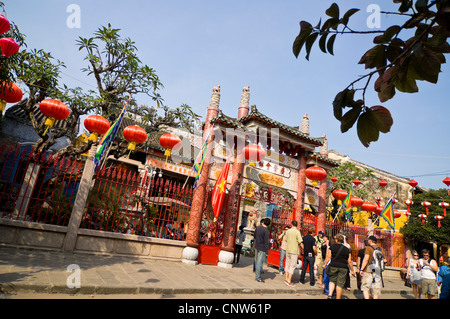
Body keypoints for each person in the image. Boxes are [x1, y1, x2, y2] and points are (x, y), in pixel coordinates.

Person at [324, 233, 355, 299]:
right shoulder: (347, 249)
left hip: (333, 265)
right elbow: (349, 261)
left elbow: (328, 257)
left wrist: (325, 264)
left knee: (332, 281)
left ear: (337, 240)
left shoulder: (332, 247)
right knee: (340, 284)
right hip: (343, 267)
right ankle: (338, 298)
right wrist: (352, 270)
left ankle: (330, 295)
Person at [359, 235, 383, 299]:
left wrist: (361, 269)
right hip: (377, 271)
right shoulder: (380, 249)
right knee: (376, 290)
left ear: (370, 241)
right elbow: (384, 260)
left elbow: (366, 259)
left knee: (365, 287)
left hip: (368, 270)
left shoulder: (368, 248)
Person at [284, 220, 302, 287]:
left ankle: (286, 278)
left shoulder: (288, 231)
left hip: (288, 249)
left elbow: (286, 239)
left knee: (287, 264)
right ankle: (289, 280)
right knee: (292, 265)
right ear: (297, 225)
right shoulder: (297, 232)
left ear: (291, 224)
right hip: (294, 250)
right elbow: (300, 241)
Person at [254, 218, 270, 283]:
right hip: (262, 248)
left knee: (256, 260)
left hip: (256, 245)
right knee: (259, 263)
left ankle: (256, 273)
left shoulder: (258, 228)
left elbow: (254, 236)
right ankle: (258, 277)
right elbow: (266, 242)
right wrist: (267, 251)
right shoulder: (266, 231)